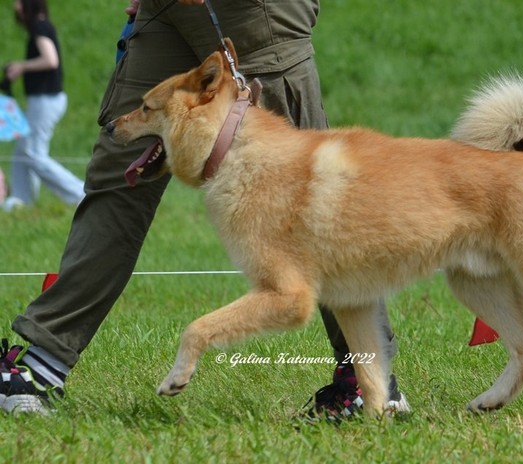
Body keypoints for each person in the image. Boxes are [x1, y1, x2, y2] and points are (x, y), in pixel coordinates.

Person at [0, 0, 408, 420]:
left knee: (306, 190)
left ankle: (369, 382)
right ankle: (41, 364)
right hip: (166, 9)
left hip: (251, 12)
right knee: (122, 167)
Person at [2, 0, 85, 212]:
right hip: (43, 99)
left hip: (45, 100)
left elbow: (50, 60)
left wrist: (21, 66)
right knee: (22, 150)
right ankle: (21, 200)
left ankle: (79, 193)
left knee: (33, 153)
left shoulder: (39, 27)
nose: (16, 7)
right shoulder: (41, 26)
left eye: (19, 2)